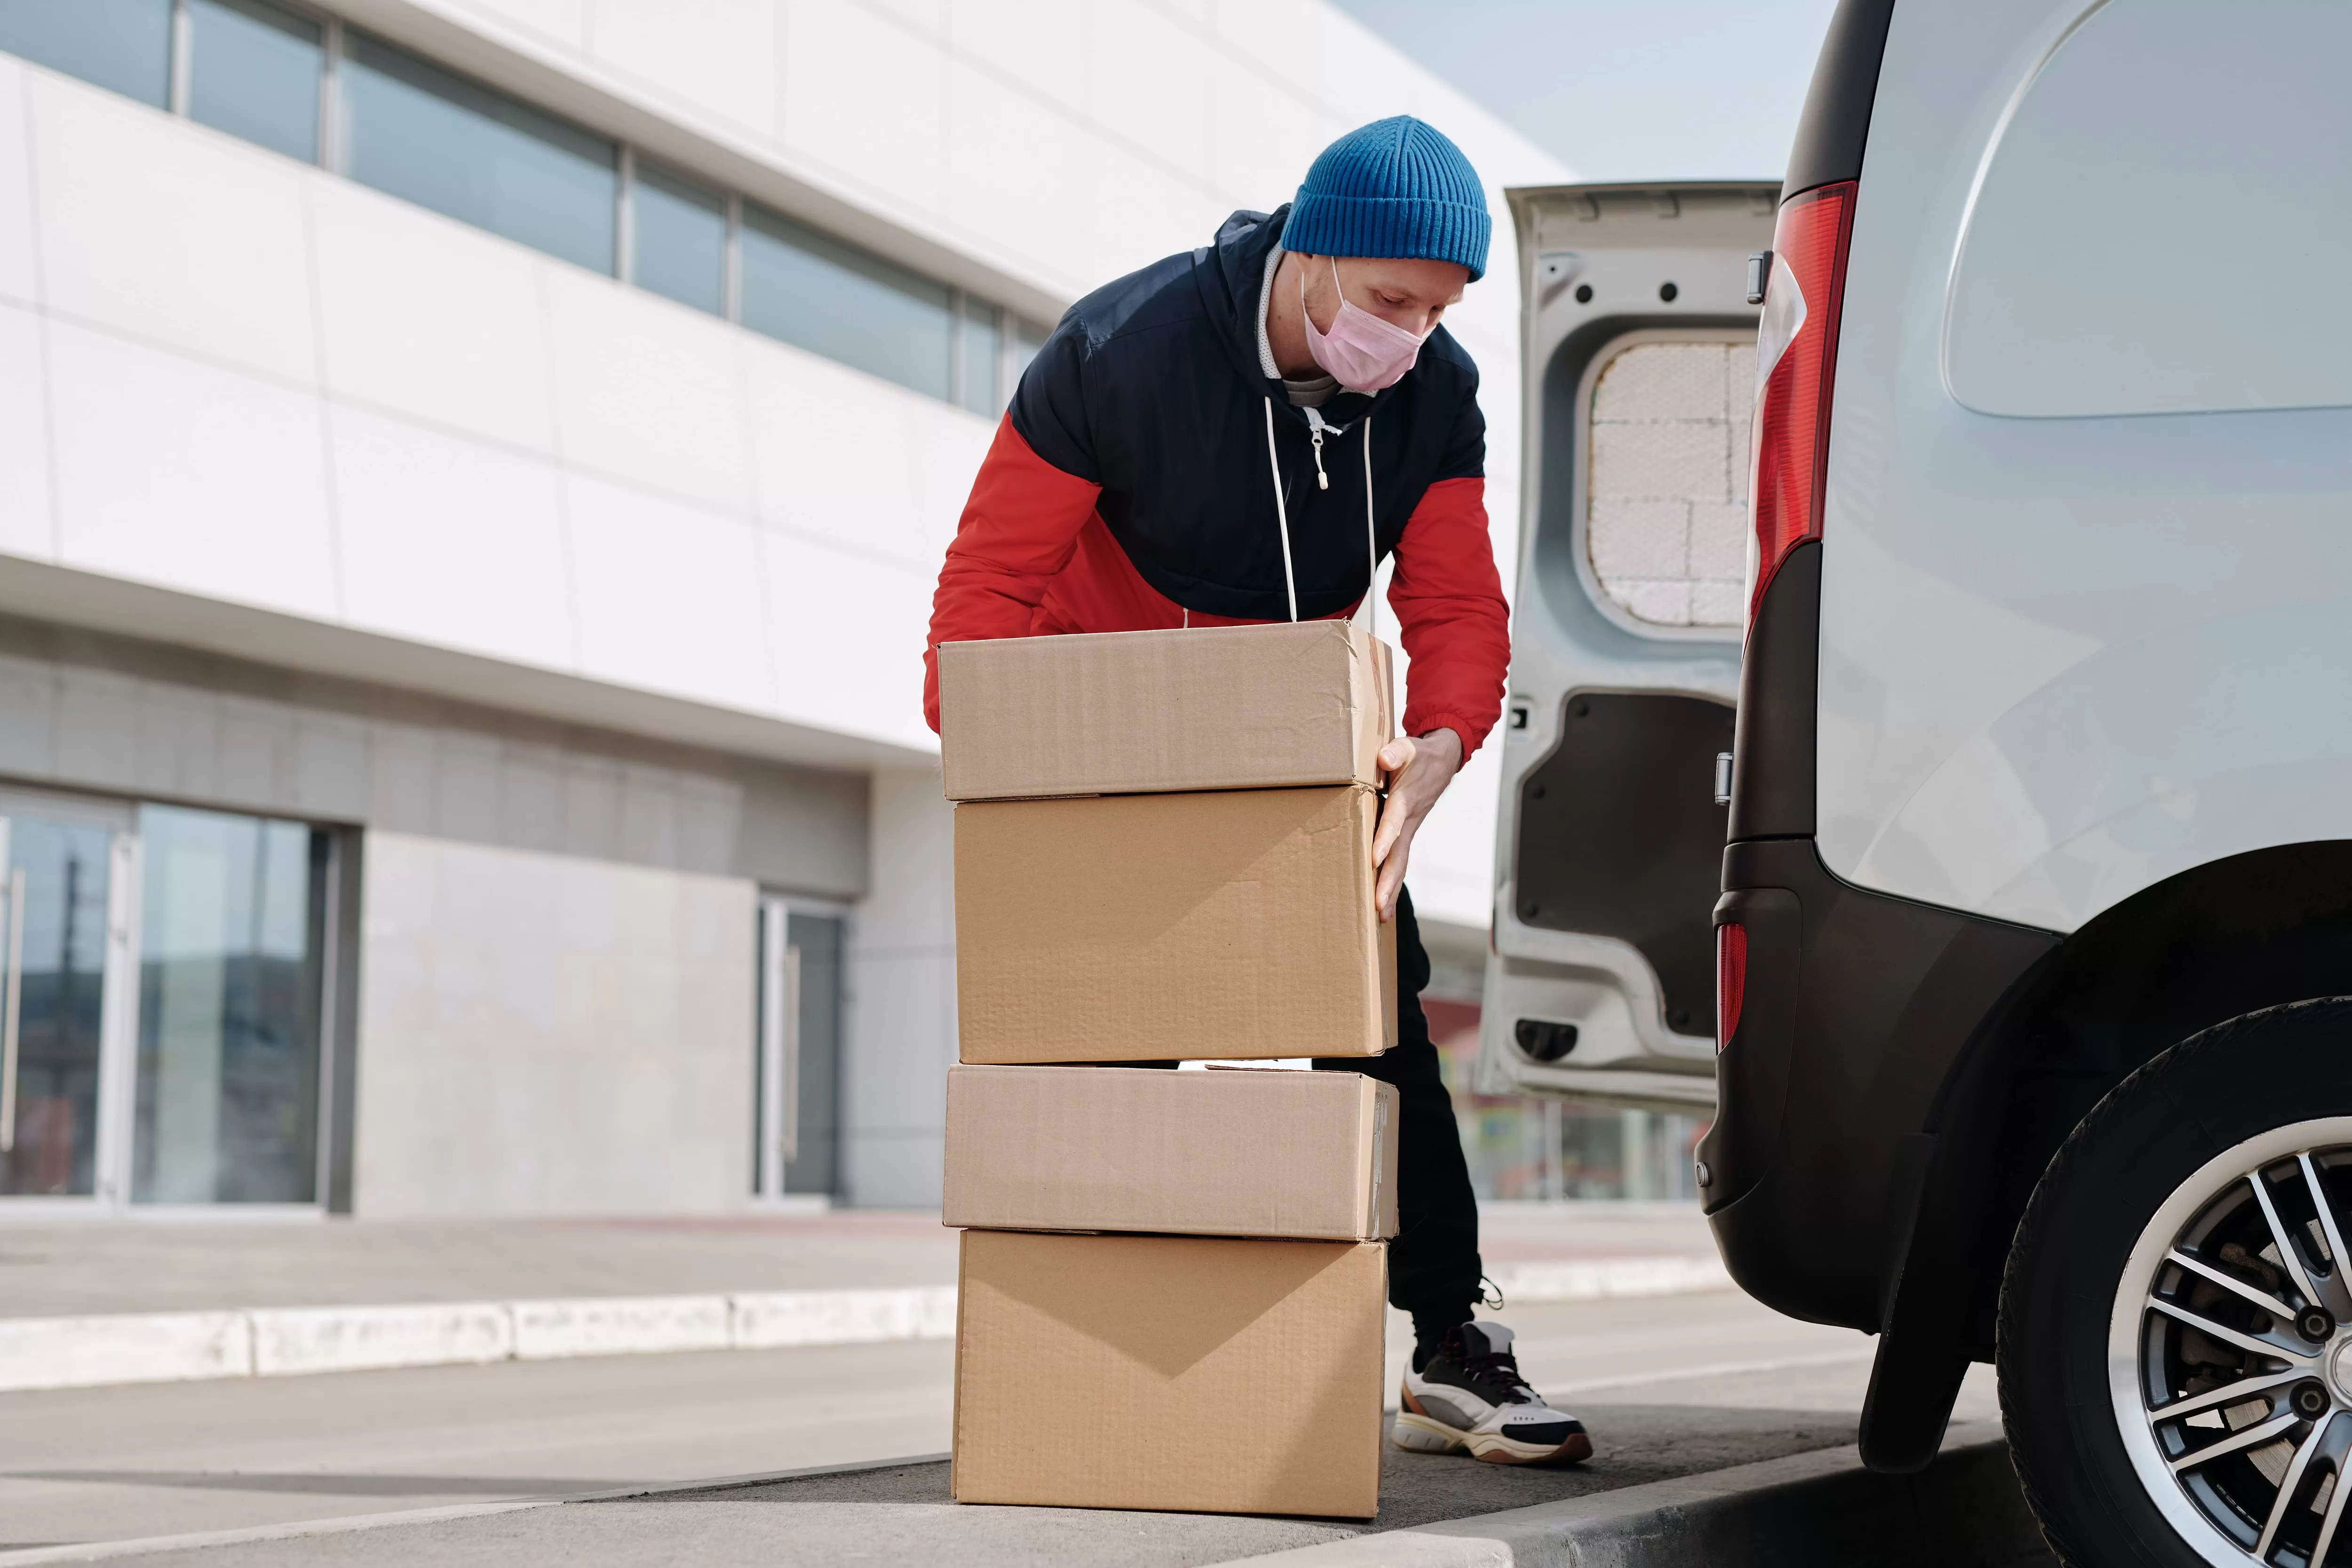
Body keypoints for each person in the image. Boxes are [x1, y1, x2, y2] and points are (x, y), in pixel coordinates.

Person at [923, 116, 1591, 1467]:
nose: (1409, 336)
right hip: (1107, 738)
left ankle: (1453, 1338)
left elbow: (1458, 598)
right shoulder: (1121, 352)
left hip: (1289, 743)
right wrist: (1010, 773)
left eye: (1437, 310)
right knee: (1118, 1058)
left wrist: (1445, 742)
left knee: (1382, 1030)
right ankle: (1096, 1359)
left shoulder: (1429, 391)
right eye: (1392, 302)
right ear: (1310, 258)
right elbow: (982, 595)